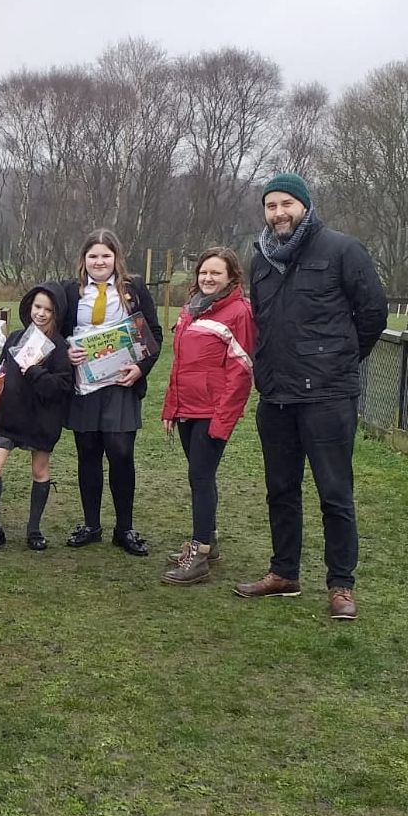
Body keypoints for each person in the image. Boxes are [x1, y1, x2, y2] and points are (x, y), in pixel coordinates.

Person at [234, 173, 387, 620]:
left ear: (304, 205)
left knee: (334, 493)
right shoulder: (261, 259)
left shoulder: (341, 250)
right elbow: (263, 320)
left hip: (327, 396)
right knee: (280, 489)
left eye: (286, 204)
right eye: (270, 205)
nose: (278, 213)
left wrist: (340, 358)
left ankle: (341, 584)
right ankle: (284, 572)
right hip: (277, 394)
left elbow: (373, 311)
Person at [60, 228, 163, 556]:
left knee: (120, 453)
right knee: (88, 453)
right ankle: (91, 525)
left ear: (116, 258)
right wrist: (66, 351)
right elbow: (55, 334)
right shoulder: (71, 292)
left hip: (121, 384)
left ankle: (124, 528)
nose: (100, 261)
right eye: (93, 256)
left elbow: (154, 334)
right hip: (85, 386)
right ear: (84, 260)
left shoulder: (134, 289)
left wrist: (140, 369)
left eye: (106, 255)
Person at [160, 248, 257, 585]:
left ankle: (198, 556)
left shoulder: (239, 313)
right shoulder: (192, 310)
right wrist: (171, 407)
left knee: (200, 478)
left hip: (211, 412)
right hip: (187, 408)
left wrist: (223, 420)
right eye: (204, 272)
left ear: (232, 276)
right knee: (200, 477)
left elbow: (241, 371)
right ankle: (208, 542)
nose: (208, 278)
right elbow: (180, 366)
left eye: (216, 273)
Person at [0, 284, 74, 554]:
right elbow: (2, 371)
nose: (41, 314)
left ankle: (34, 529)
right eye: (37, 307)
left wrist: (34, 372)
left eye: (48, 310)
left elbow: (61, 387)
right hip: (10, 418)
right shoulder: (16, 337)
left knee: (40, 471)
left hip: (42, 421)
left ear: (56, 314)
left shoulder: (60, 347)